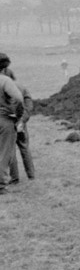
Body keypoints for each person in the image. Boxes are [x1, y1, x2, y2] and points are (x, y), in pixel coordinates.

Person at [0, 68, 35, 185]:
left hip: (6, 120)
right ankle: (31, 175)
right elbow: (28, 106)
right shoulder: (22, 87)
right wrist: (22, 120)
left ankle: (14, 178)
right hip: (20, 122)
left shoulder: (3, 86)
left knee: (10, 151)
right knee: (24, 148)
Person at [0, 54, 25, 196]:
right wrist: (18, 116)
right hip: (4, 119)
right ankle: (1, 185)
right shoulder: (5, 80)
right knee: (4, 153)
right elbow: (19, 99)